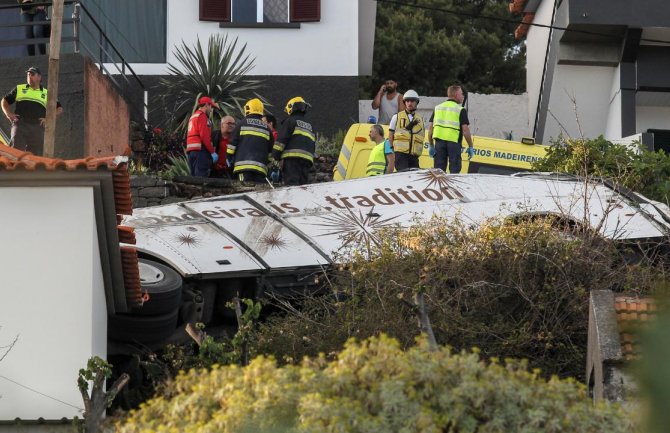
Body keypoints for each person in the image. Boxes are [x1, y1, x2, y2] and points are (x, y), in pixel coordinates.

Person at [1, 66, 63, 155]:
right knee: (14, 152)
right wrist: (8, 114)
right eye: (28, 74)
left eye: (32, 74)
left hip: (37, 126)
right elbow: (4, 101)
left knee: (36, 156)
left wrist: (48, 119)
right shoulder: (19, 88)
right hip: (20, 124)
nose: (29, 76)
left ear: (39, 77)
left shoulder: (47, 93)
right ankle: (13, 168)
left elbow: (59, 109)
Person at [427, 85, 475, 174]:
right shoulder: (460, 110)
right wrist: (471, 146)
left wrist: (431, 145)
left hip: (439, 143)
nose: (463, 96)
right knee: (454, 172)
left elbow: (430, 129)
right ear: (456, 95)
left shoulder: (437, 108)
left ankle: (439, 188)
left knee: (438, 172)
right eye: (462, 94)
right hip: (454, 143)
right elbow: (465, 130)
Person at [228, 98, 274, 183]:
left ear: (248, 109)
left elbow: (232, 144)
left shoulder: (241, 124)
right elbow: (270, 152)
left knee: (244, 190)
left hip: (242, 167)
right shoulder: (267, 129)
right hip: (260, 169)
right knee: (258, 193)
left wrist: (228, 157)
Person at [272, 96, 316, 186]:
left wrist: (275, 156)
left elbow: (281, 141)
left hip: (292, 160)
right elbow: (313, 144)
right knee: (302, 187)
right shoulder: (310, 126)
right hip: (307, 161)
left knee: (292, 186)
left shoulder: (289, 121)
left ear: (291, 107)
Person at [388, 89, 424, 171]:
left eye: (412, 101)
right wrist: (392, 149)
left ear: (416, 102)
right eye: (407, 101)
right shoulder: (396, 117)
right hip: (401, 155)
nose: (409, 103)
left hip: (414, 155)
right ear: (404, 103)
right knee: (402, 177)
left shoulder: (420, 119)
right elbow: (391, 134)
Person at [185, 96, 218, 177]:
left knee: (194, 178)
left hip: (191, 152)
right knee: (201, 178)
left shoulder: (193, 116)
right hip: (200, 151)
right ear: (206, 105)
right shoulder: (202, 116)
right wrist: (212, 152)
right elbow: (204, 136)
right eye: (211, 106)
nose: (211, 110)